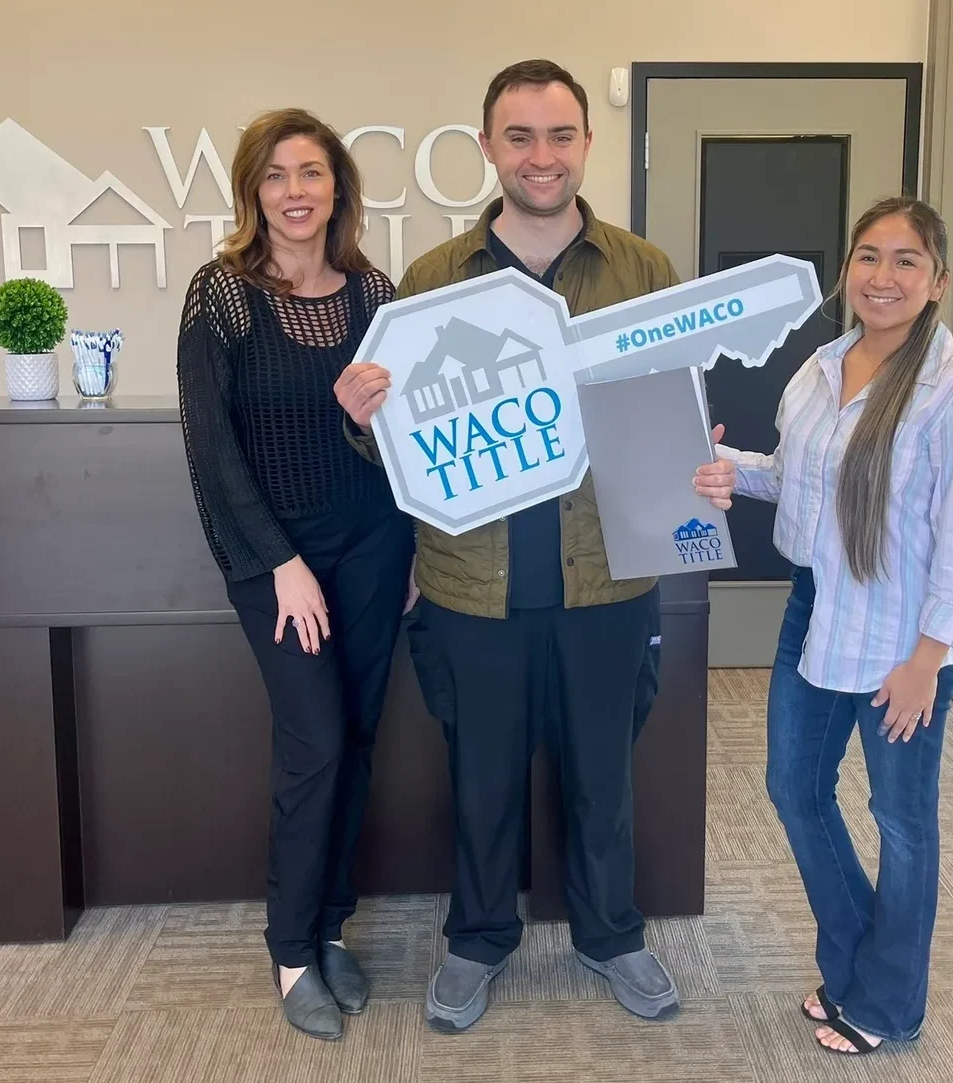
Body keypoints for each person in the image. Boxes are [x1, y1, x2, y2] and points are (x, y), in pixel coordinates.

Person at [335, 59, 721, 1033]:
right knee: (480, 784)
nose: (540, 156)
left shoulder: (640, 271)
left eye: (558, 136)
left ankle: (610, 935)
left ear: (586, 145)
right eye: (519, 136)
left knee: (603, 779)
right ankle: (476, 941)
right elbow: (396, 443)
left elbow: (675, 407)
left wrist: (696, 455)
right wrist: (357, 417)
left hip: (606, 582)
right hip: (474, 590)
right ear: (486, 149)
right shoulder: (431, 282)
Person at [694, 196, 953, 1055]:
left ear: (937, 280)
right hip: (816, 607)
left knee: (902, 821)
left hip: (906, 637)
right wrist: (727, 470)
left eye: (907, 260)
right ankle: (858, 964)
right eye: (869, 256)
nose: (884, 276)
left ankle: (888, 1002)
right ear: (847, 271)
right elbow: (800, 480)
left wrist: (929, 658)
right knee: (794, 789)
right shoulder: (821, 369)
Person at [176, 107, 414, 1042]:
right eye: (276, 175)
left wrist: (414, 553)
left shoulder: (373, 294)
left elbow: (400, 436)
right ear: (253, 191)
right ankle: (288, 950)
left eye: (312, 173)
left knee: (356, 736)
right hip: (276, 560)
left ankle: (328, 926)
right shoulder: (222, 294)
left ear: (338, 190)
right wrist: (280, 563)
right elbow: (210, 447)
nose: (295, 192)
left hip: (373, 544)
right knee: (313, 739)